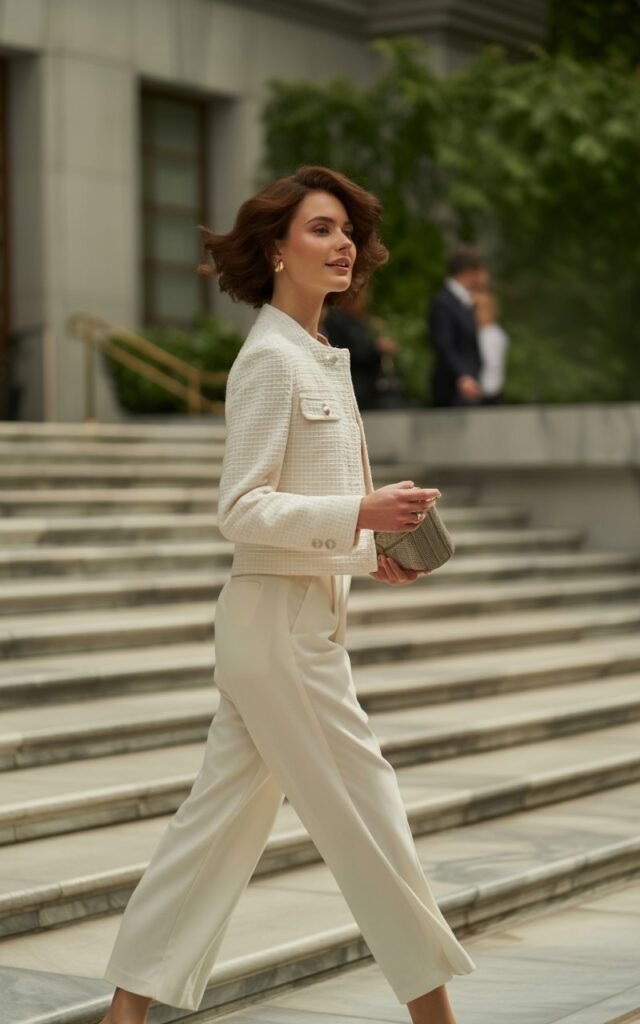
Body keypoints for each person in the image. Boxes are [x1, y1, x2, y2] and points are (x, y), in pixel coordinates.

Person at [98, 165, 476, 1024]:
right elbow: (242, 510)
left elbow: (296, 523)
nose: (343, 243)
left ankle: (124, 1015)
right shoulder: (269, 361)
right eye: (319, 229)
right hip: (282, 639)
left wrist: (365, 549)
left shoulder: (319, 357)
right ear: (275, 249)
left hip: (288, 621)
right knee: (373, 824)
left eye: (347, 230)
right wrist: (361, 511)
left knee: (213, 836)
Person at [321, 287, 402, 409]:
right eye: (361, 296)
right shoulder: (337, 321)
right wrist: (377, 349)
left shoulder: (361, 321)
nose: (365, 300)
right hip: (354, 386)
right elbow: (347, 353)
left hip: (368, 386)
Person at [427, 245, 488, 407]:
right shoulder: (443, 303)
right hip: (453, 388)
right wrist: (462, 375)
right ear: (469, 271)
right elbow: (443, 343)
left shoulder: (463, 301)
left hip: (468, 385)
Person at [472, 289, 509, 404]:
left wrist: (481, 389)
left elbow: (491, 364)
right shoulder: (481, 332)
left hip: (486, 393)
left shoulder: (491, 334)